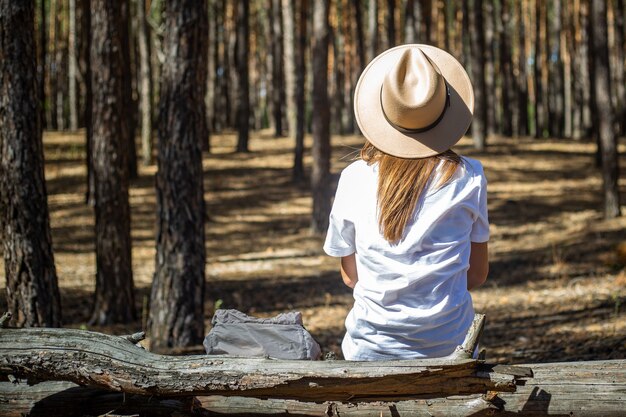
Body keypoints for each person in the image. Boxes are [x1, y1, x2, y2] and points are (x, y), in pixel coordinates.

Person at [323, 44, 489, 361]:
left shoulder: (354, 177)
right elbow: (477, 274)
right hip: (450, 348)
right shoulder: (470, 176)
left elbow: (349, 276)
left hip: (370, 350)